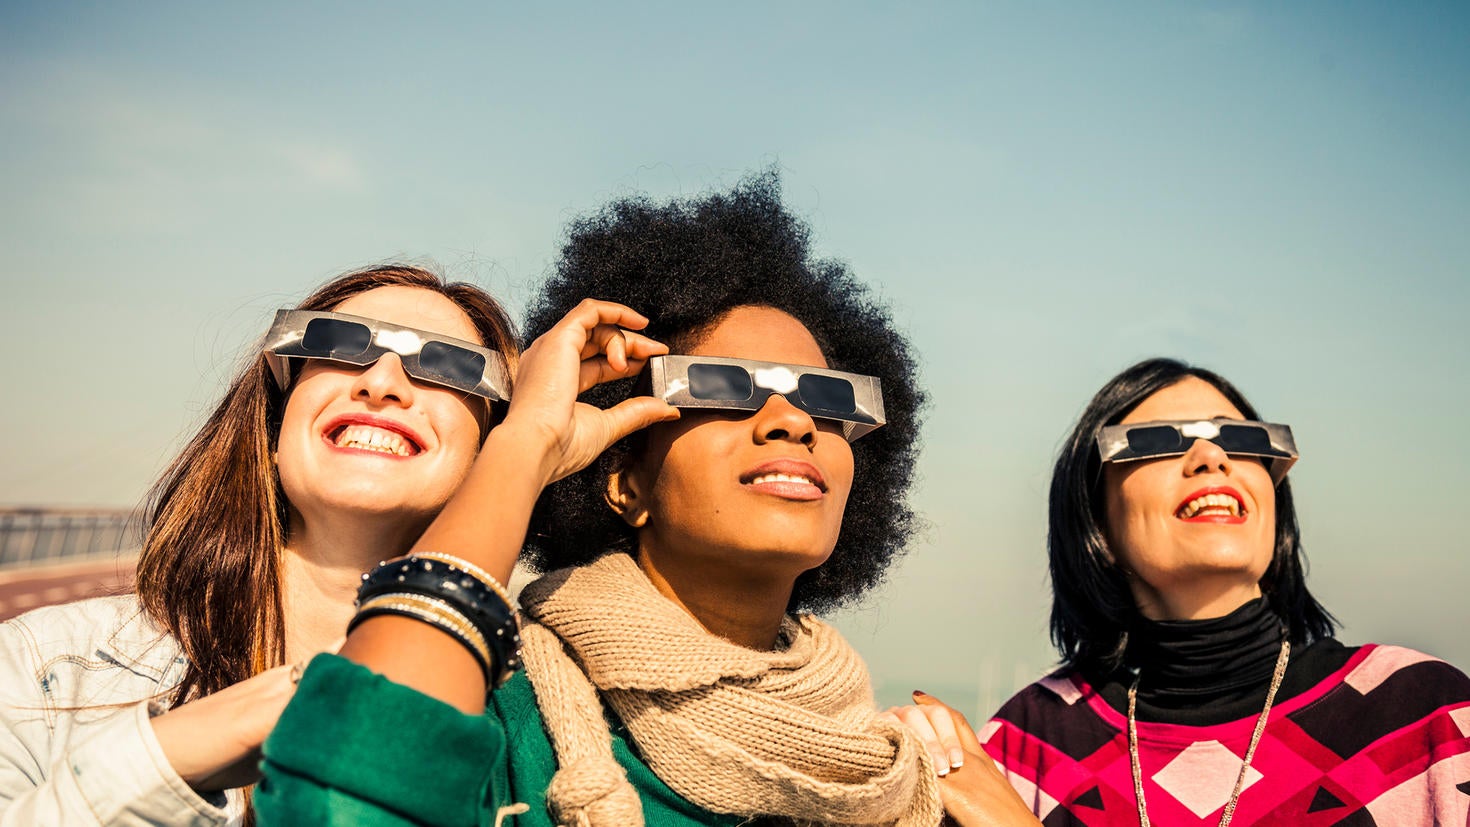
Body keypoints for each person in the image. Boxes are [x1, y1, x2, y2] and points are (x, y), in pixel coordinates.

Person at [255, 175, 966, 826]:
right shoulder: (500, 716)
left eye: (827, 397)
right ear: (624, 481)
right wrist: (528, 439)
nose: (793, 420)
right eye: (722, 386)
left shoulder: (896, 772)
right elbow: (347, 796)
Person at [0, 265, 519, 825]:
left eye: (449, 363)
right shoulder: (41, 667)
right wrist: (170, 756)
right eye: (337, 342)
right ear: (275, 426)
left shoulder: (547, 718)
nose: (381, 381)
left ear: (490, 450)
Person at [893, 358, 1470, 826]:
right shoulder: (1029, 742)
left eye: (1241, 439)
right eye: (1157, 442)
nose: (1211, 458)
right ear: (1097, 520)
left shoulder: (1422, 715)